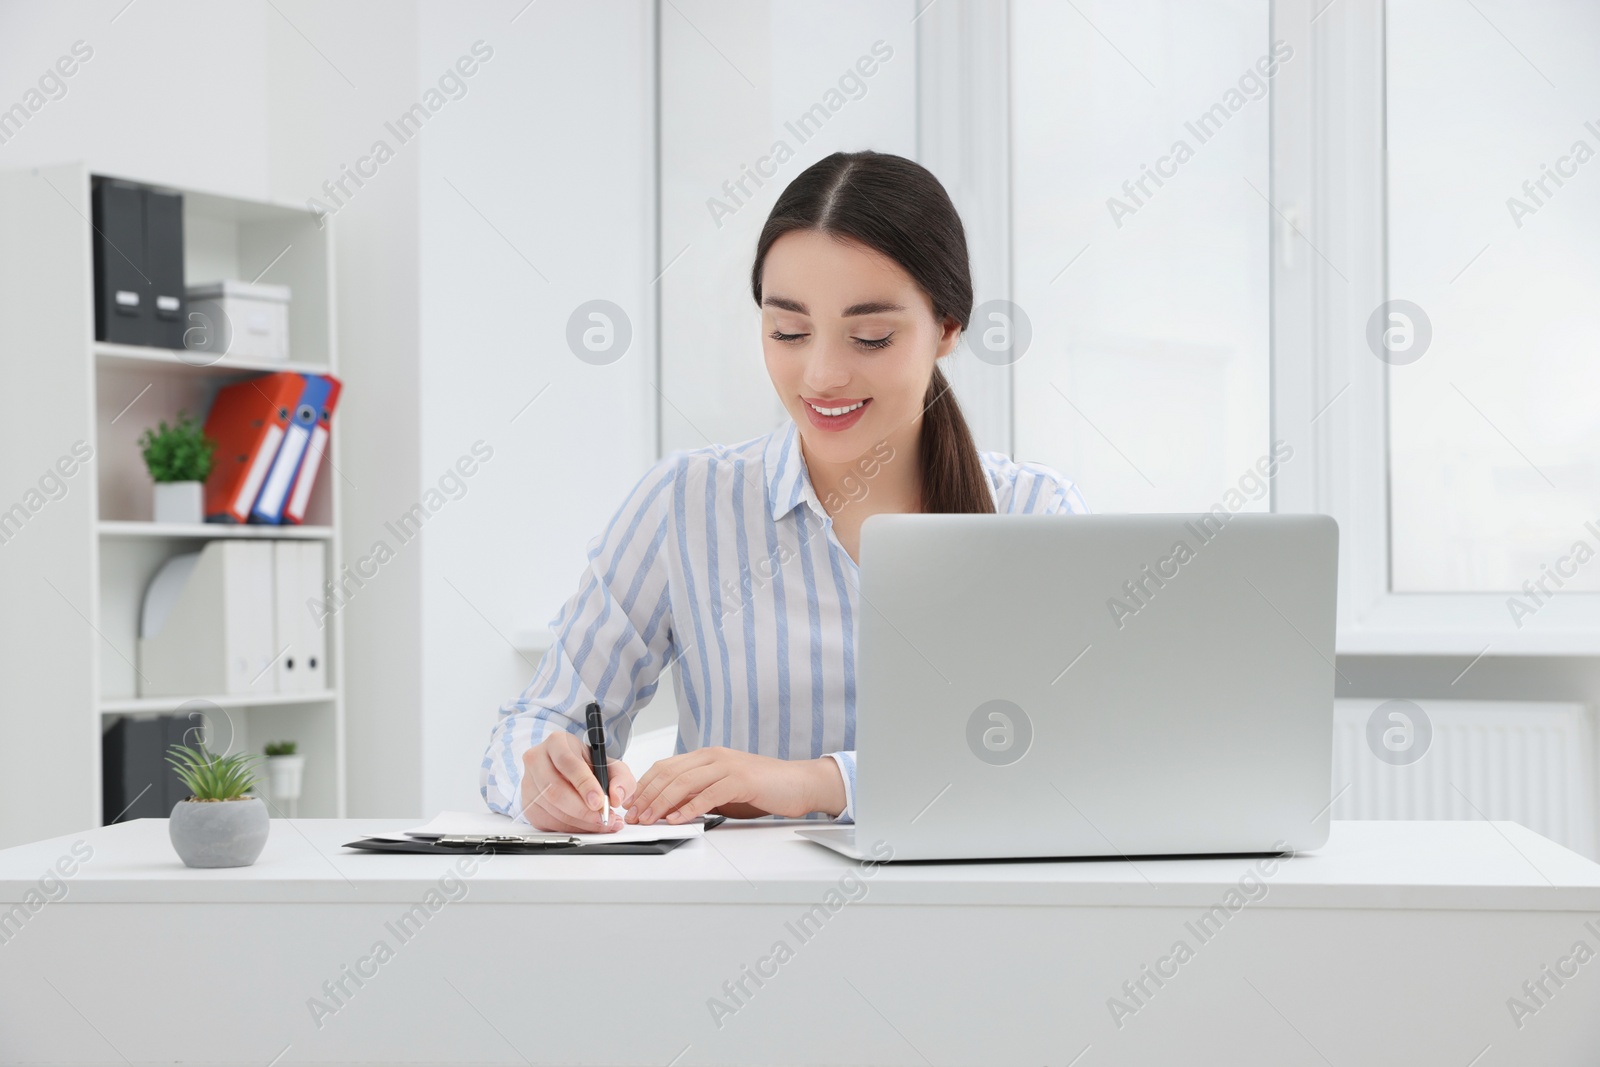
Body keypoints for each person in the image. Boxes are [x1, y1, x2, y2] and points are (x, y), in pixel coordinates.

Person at [480, 149, 1088, 832]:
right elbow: (538, 721)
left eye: (870, 336)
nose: (822, 374)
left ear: (947, 328)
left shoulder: (1035, 514)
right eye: (788, 331)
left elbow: (1074, 755)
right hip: (734, 921)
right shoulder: (684, 503)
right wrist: (543, 778)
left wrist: (813, 782)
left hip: (974, 918)